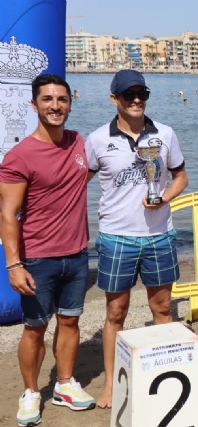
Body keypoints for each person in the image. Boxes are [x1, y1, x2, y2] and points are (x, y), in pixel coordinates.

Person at [85, 69, 188, 408]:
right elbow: (77, 184)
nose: (136, 99)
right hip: (117, 237)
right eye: (128, 94)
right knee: (116, 312)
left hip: (159, 236)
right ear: (114, 98)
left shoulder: (165, 133)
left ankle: (164, 378)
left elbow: (181, 177)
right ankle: (113, 386)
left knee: (161, 308)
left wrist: (165, 197)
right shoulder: (98, 139)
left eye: (140, 93)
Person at [0, 74, 96, 426]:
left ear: (70, 103)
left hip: (77, 252)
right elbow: (7, 214)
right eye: (48, 100)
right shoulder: (19, 155)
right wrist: (14, 264)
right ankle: (30, 391)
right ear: (34, 104)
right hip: (38, 257)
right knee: (35, 328)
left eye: (62, 100)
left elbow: (88, 176)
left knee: (70, 321)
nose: (56, 106)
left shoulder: (79, 142)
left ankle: (65, 384)